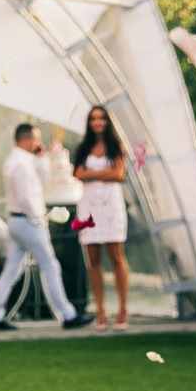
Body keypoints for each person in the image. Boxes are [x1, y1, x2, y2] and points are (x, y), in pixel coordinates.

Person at [0, 124, 93, 333]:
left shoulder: (18, 161)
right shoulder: (21, 164)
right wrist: (38, 218)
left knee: (12, 270)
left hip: (17, 220)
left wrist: (42, 158)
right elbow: (28, 195)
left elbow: (42, 180)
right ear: (26, 140)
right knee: (51, 266)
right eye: (35, 139)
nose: (38, 143)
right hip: (28, 221)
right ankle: (68, 314)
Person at [74, 104, 132, 332]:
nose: (97, 122)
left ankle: (123, 308)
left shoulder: (115, 146)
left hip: (111, 206)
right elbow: (77, 174)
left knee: (116, 256)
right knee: (93, 259)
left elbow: (119, 173)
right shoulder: (83, 148)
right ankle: (100, 310)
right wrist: (102, 175)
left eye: (101, 118)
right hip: (89, 207)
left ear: (107, 121)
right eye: (93, 119)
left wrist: (92, 175)